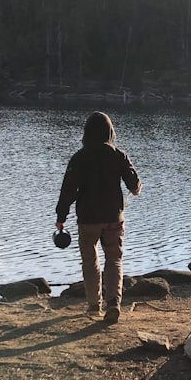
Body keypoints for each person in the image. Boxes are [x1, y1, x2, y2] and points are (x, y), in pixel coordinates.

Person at [55, 111, 143, 324]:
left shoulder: (79, 157)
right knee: (114, 259)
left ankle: (94, 306)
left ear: (86, 132)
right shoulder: (118, 155)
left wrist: (61, 217)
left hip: (87, 219)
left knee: (90, 260)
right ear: (110, 132)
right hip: (114, 217)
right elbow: (135, 187)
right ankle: (114, 303)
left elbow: (67, 190)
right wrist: (136, 187)